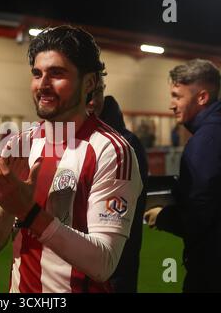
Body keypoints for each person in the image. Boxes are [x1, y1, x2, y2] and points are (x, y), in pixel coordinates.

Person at [0, 25, 143, 293]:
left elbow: (103, 263)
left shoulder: (111, 150)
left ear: (89, 83)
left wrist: (28, 213)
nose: (43, 84)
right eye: (37, 74)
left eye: (57, 73)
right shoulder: (19, 145)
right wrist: (7, 203)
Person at [144, 59, 221, 292]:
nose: (171, 104)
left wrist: (164, 216)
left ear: (202, 98)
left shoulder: (204, 142)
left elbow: (199, 213)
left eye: (177, 96)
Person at [87, 79, 148, 293]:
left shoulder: (123, 145)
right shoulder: (67, 139)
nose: (92, 102)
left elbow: (120, 215)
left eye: (97, 93)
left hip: (114, 275)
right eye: (87, 94)